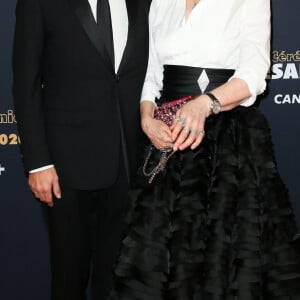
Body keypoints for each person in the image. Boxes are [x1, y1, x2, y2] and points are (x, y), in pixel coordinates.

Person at [108, 0, 300, 299]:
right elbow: (152, 69)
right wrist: (146, 116)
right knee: (157, 252)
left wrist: (205, 103)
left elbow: (254, 71)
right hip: (170, 137)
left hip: (227, 144)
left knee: (221, 255)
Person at [12, 0, 151, 299]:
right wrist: (38, 162)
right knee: (68, 277)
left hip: (128, 162)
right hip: (65, 167)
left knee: (116, 277)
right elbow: (26, 84)